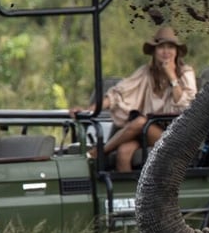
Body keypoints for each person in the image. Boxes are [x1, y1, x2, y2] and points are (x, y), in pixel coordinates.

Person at [71, 26, 197, 172]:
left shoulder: (185, 73)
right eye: (161, 47)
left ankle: (99, 152)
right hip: (146, 131)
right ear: (154, 52)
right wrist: (89, 110)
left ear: (176, 52)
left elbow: (186, 106)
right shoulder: (146, 73)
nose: (166, 52)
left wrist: (171, 77)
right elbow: (118, 95)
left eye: (170, 47)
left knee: (141, 121)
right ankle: (129, 194)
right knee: (123, 153)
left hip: (176, 136)